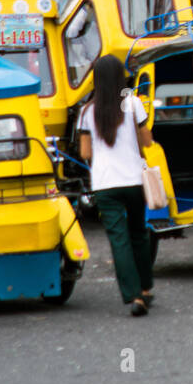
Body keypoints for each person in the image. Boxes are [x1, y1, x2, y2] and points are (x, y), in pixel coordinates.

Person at [78, 55, 155, 316]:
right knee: (138, 234)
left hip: (105, 184)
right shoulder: (133, 103)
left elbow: (85, 153)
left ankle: (134, 295)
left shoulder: (87, 112)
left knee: (119, 239)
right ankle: (145, 290)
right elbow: (147, 142)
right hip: (134, 180)